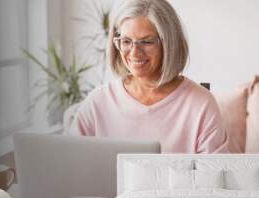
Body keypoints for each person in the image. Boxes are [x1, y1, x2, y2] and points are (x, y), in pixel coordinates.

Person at [69, 0, 229, 153]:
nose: (135, 53)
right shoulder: (97, 103)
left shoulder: (201, 105)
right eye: (126, 41)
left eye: (146, 42)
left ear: (169, 43)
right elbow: (70, 168)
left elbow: (213, 177)